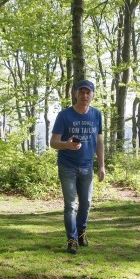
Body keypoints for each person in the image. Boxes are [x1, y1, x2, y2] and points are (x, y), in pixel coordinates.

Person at [50, 79, 105, 254]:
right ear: (75, 94)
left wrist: (102, 165)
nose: (85, 95)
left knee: (86, 203)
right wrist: (67, 144)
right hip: (67, 166)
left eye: (88, 92)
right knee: (70, 205)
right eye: (81, 92)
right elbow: (53, 142)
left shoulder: (97, 115)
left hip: (87, 166)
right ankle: (71, 239)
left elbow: (99, 142)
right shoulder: (64, 115)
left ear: (93, 95)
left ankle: (81, 232)